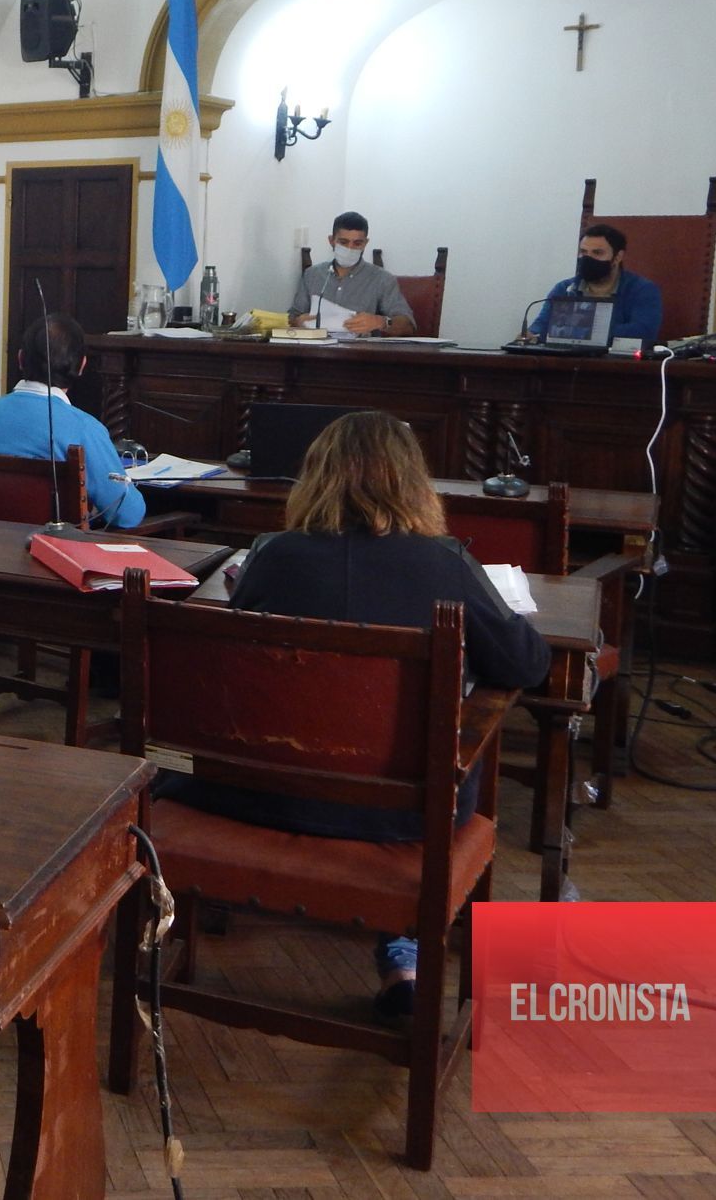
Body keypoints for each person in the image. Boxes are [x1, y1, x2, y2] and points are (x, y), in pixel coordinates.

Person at [163, 411, 550, 1020]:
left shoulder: (274, 555)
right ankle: (405, 955)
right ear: (413, 482)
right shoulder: (445, 562)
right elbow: (526, 664)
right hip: (405, 815)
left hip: (260, 792)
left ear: (315, 477)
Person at [0, 313, 144, 529]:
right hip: (52, 547)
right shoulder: (85, 428)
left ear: (20, 358)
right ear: (82, 365)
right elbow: (127, 515)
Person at [527, 222, 664, 343]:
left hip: (615, 362)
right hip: (566, 360)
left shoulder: (641, 290)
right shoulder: (565, 288)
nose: (588, 258)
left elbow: (644, 331)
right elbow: (539, 328)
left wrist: (580, 330)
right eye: (583, 252)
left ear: (617, 257)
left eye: (597, 253)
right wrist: (529, 336)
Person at [289, 211, 415, 336]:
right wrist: (297, 321)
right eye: (343, 242)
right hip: (317, 346)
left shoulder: (382, 279)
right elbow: (291, 317)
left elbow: (408, 326)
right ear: (331, 240)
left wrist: (381, 322)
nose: (350, 248)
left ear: (365, 243)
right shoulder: (312, 275)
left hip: (360, 347)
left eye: (357, 243)